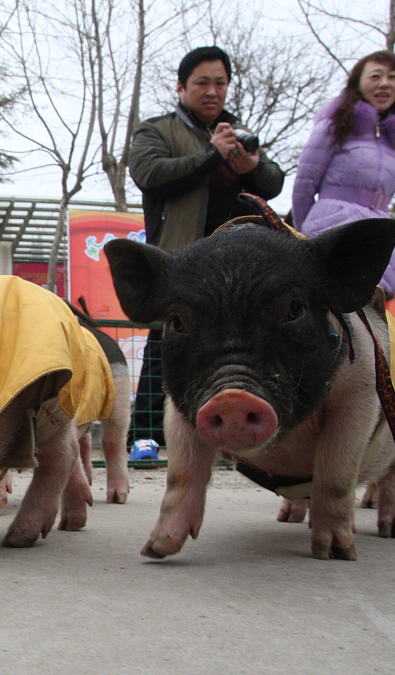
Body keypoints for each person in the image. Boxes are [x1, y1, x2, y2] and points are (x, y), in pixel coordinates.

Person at [126, 45, 285, 453]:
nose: (212, 91)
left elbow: (273, 180)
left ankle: (237, 436)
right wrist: (212, 154)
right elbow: (149, 172)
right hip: (184, 258)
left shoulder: (240, 133)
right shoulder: (157, 130)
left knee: (241, 348)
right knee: (169, 340)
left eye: (220, 83)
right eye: (202, 83)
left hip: (241, 264)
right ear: (181, 87)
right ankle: (145, 435)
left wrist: (252, 169)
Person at [291, 51, 395, 299]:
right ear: (358, 82)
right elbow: (304, 186)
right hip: (330, 226)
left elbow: (388, 195)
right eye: (375, 76)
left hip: (378, 230)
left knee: (373, 308)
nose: (384, 83)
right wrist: (304, 236)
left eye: (393, 76)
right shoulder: (334, 126)